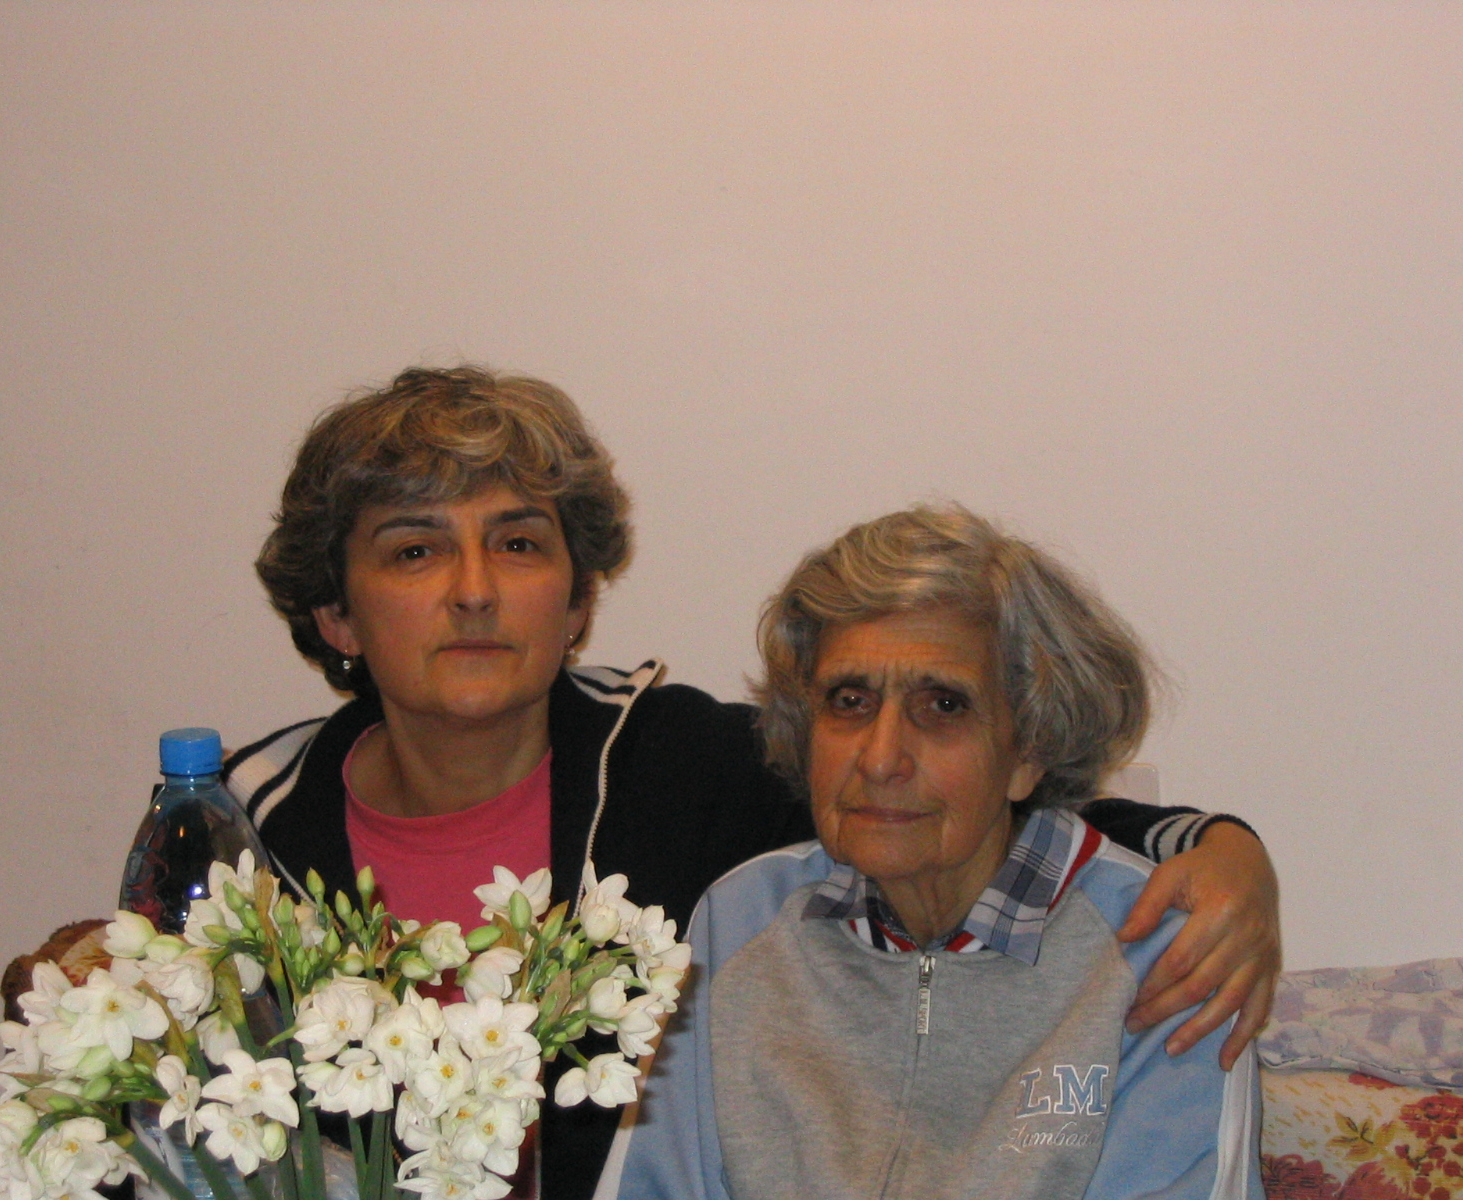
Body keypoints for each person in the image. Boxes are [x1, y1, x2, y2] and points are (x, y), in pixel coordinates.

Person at [222, 366, 1278, 1200]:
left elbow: (978, 806)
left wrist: (1215, 847)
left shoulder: (685, 767)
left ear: (579, 600)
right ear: (336, 614)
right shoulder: (242, 840)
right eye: (414, 553)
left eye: (518, 544)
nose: (473, 592)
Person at [612, 504, 1264, 1200]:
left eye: (944, 706)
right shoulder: (741, 920)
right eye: (850, 700)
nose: (881, 758)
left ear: (1029, 747)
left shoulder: (1160, 951)